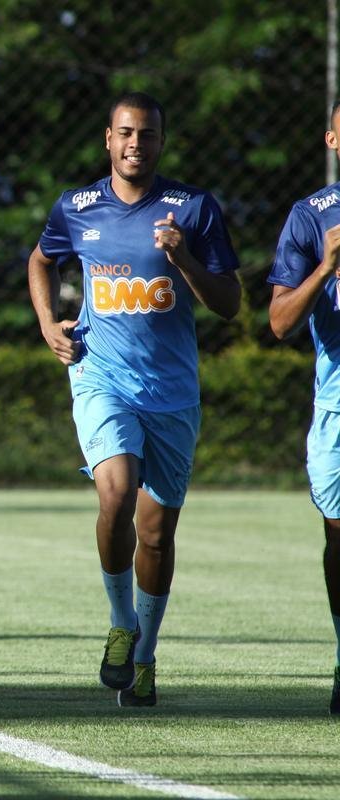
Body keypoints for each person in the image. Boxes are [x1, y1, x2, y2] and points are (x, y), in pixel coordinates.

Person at [27, 92, 240, 707]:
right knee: (116, 494)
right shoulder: (78, 206)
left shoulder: (193, 209)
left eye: (147, 135)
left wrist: (184, 258)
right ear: (108, 138)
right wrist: (48, 324)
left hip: (172, 392)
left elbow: (228, 304)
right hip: (101, 378)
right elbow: (41, 260)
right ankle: (121, 623)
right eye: (125, 133)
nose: (135, 145)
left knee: (156, 533)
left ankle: (144, 657)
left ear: (160, 142)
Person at [267, 99, 340, 715]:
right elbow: (280, 321)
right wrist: (327, 267)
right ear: (333, 139)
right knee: (339, 538)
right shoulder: (310, 219)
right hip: (337, 408)